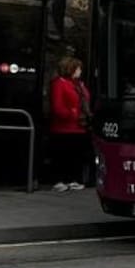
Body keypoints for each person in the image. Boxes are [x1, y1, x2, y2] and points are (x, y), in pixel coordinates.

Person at [48, 56, 91, 192]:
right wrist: (72, 113)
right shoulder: (59, 83)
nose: (80, 71)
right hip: (64, 127)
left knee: (76, 155)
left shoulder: (78, 84)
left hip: (79, 126)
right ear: (70, 69)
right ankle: (59, 180)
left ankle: (74, 180)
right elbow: (57, 107)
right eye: (78, 68)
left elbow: (86, 98)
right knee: (62, 155)